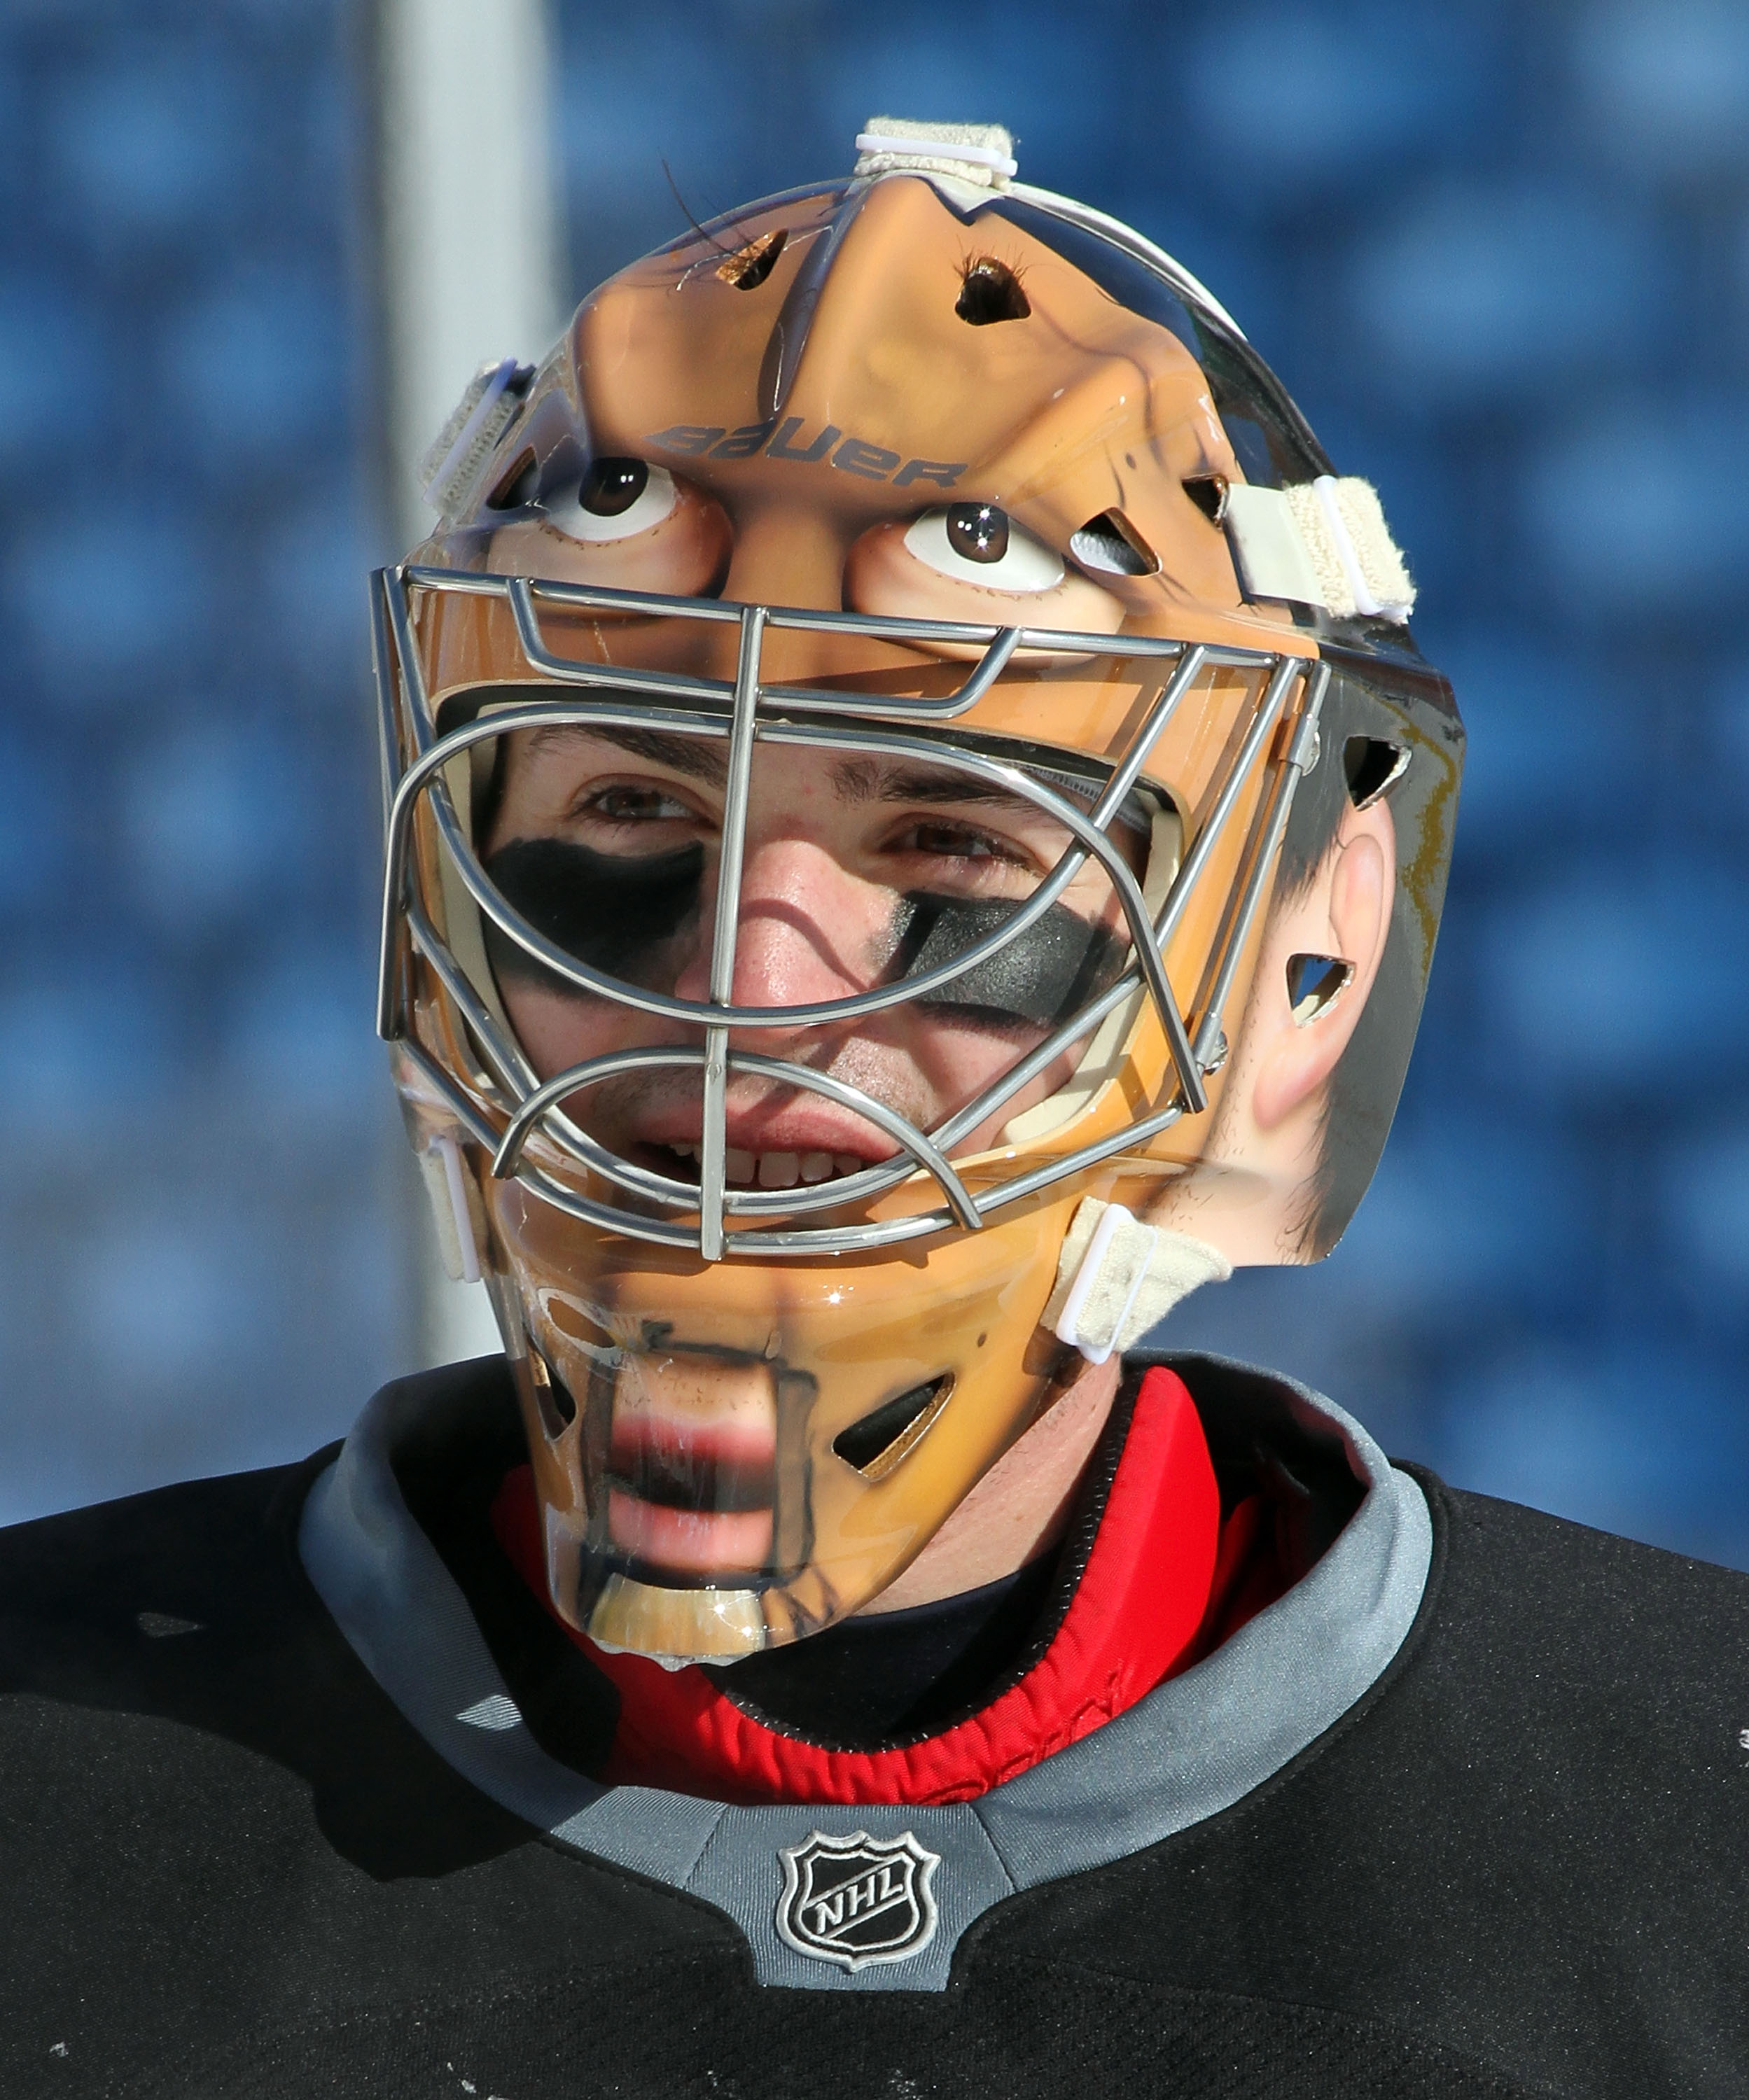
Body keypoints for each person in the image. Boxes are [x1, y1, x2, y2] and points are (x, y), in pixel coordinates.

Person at [2, 119, 1744, 2100]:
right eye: (632, 807)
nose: (751, 986)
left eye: (951, 840)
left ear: (1290, 972)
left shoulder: (1692, 1851)